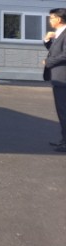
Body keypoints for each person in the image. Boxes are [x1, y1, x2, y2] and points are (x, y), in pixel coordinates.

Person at [44, 8, 66, 152]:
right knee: (62, 111)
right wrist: (47, 40)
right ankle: (64, 140)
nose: (49, 20)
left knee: (64, 111)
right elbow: (55, 51)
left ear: (58, 19)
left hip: (63, 78)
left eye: (51, 18)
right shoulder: (59, 33)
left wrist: (49, 62)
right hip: (59, 78)